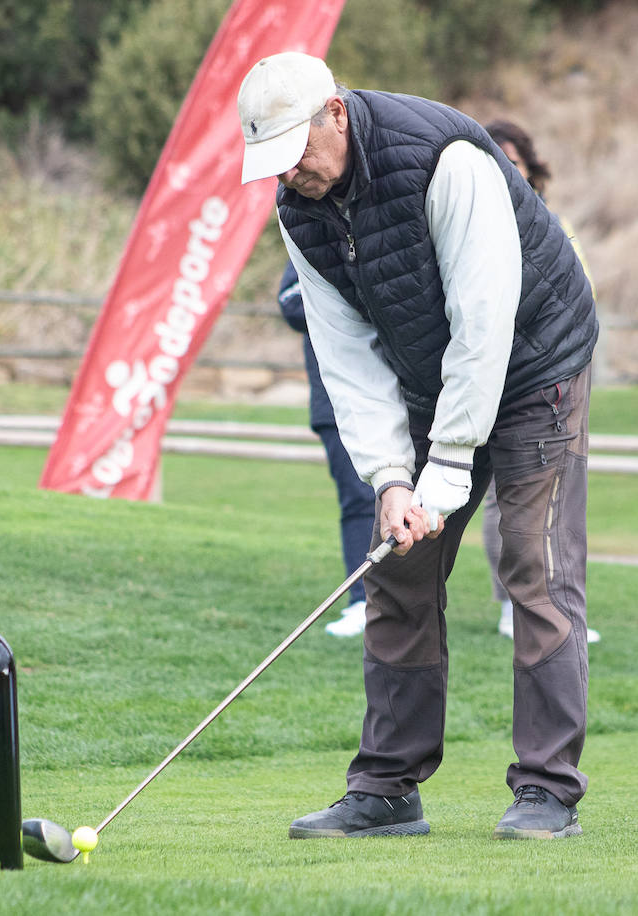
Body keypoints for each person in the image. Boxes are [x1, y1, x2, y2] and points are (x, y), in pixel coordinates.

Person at [237, 52, 599, 841]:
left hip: (537, 364)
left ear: (336, 113)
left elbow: (483, 322)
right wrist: (394, 478)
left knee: (535, 571)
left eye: (299, 150)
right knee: (397, 570)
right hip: (428, 379)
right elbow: (346, 353)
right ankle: (388, 789)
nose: (292, 172)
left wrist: (447, 465)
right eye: (276, 162)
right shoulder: (299, 209)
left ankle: (546, 790)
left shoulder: (447, 162)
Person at [481, 119, 599, 646]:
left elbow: (581, 288)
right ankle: (511, 601)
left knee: (563, 494)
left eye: (516, 159)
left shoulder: (554, 222)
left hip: (559, 369)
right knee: (500, 499)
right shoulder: (477, 219)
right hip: (500, 372)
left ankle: (559, 605)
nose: (509, 169)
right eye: (497, 159)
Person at [278, 262, 376, 637]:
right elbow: (290, 302)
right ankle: (361, 601)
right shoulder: (308, 233)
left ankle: (410, 604)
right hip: (334, 400)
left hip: (403, 394)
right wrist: (348, 290)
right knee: (357, 500)